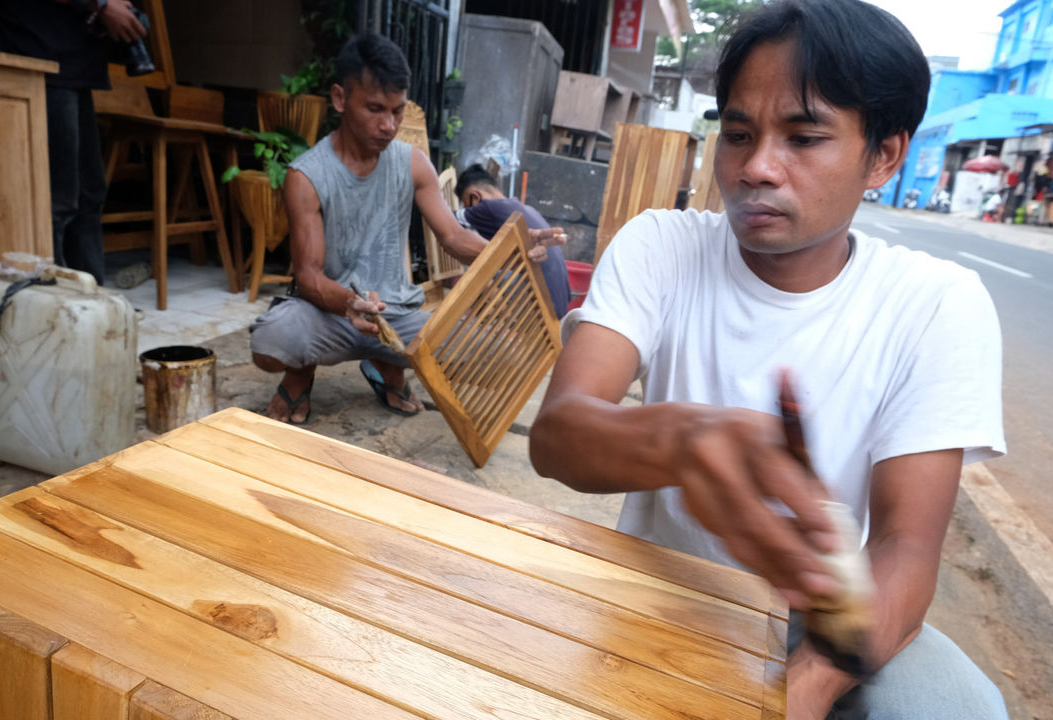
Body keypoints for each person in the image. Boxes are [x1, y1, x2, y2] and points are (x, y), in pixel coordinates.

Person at [528, 1, 1008, 718]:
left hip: (829, 616)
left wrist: (797, 693)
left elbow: (907, 549)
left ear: (884, 155)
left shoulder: (937, 304)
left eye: (804, 137)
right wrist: (682, 443)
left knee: (960, 707)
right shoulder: (663, 246)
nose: (757, 168)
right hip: (668, 588)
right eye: (740, 134)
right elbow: (558, 438)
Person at [250, 32, 564, 424]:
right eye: (376, 109)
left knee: (504, 355)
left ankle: (387, 364)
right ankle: (301, 374)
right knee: (271, 341)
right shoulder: (307, 176)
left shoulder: (413, 163)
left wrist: (513, 247)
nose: (389, 125)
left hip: (399, 317)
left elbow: (452, 236)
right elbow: (309, 275)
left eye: (397, 112)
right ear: (340, 99)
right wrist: (347, 302)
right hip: (332, 313)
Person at [0, 0, 147, 285]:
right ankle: (53, 302)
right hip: (31, 52)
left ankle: (92, 301)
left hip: (70, 62)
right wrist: (101, 5)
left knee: (88, 195)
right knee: (54, 199)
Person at [454, 164, 571, 318]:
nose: (469, 210)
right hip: (561, 303)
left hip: (539, 306)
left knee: (476, 275)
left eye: (467, 205)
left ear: (476, 197)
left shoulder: (488, 207)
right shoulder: (525, 208)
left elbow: (448, 219)